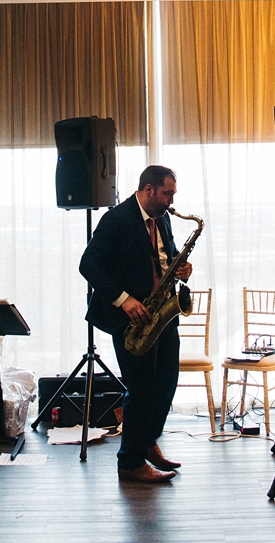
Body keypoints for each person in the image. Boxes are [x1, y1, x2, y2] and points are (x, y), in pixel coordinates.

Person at [79, 165, 193, 483]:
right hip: (132, 319)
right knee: (141, 390)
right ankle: (130, 462)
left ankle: (145, 442)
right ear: (147, 190)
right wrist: (124, 299)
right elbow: (88, 265)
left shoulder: (163, 219)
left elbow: (165, 258)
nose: (171, 200)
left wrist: (180, 267)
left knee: (166, 384)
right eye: (167, 193)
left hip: (162, 316)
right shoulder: (116, 220)